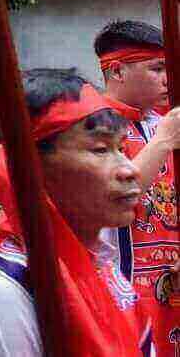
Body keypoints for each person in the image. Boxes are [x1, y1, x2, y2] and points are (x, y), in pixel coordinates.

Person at [0, 68, 153, 355]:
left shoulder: (99, 264)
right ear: (29, 168)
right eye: (101, 149)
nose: (130, 170)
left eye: (122, 149)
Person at [95, 19, 180, 347]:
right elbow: (110, 198)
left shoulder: (163, 123)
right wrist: (162, 142)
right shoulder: (92, 127)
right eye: (157, 68)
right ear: (116, 71)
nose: (167, 79)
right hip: (121, 277)